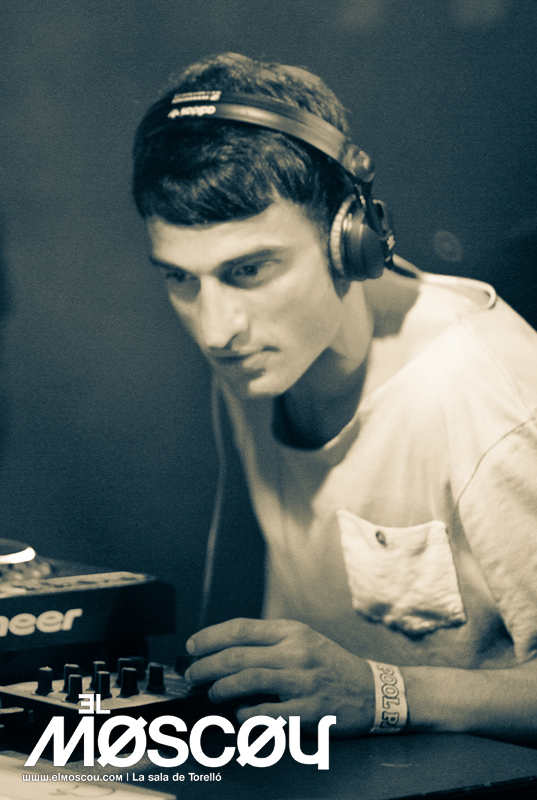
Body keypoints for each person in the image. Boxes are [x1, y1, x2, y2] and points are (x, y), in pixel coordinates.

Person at [132, 53, 537, 743]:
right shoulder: (257, 359)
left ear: (350, 240)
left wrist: (381, 692)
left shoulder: (482, 387)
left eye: (248, 270)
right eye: (181, 279)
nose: (216, 328)